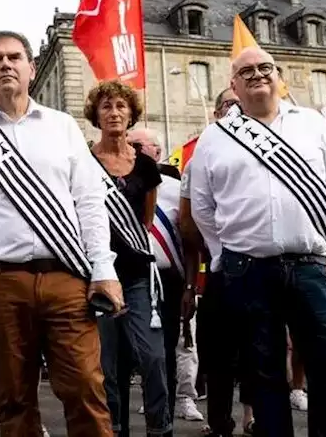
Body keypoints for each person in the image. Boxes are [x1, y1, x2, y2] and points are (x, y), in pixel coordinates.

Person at [0, 30, 122, 436]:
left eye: (15, 57)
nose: (6, 64)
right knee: (13, 397)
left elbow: (89, 201)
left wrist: (104, 269)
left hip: (66, 277)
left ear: (30, 68)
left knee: (85, 388)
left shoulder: (62, 126)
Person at [188, 48, 326, 437]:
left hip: (310, 263)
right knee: (263, 374)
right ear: (233, 84)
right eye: (246, 70)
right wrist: (223, 252)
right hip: (247, 270)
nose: (257, 74)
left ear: (278, 76)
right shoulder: (215, 137)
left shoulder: (312, 123)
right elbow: (202, 207)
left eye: (265, 67)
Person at [87, 81, 171, 437]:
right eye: (106, 106)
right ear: (96, 115)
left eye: (121, 106)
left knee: (152, 357)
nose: (114, 113)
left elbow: (145, 222)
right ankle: (113, 428)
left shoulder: (146, 168)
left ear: (131, 113)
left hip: (136, 277)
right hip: (97, 276)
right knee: (106, 365)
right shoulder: (84, 161)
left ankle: (159, 427)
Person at [183, 89, 253, 437]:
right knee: (220, 355)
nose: (236, 109)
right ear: (215, 114)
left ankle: (252, 417)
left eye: (242, 103)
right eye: (229, 104)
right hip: (221, 270)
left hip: (262, 268)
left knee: (259, 350)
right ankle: (220, 420)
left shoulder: (269, 157)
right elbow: (188, 221)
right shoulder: (199, 161)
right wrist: (218, 249)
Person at [128, 126, 201, 423]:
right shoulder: (113, 187)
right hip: (128, 277)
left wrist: (189, 287)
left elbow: (189, 242)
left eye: (137, 145)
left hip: (167, 281)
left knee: (165, 353)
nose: (129, 149)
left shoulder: (175, 189)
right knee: (123, 355)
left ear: (156, 152)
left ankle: (164, 418)